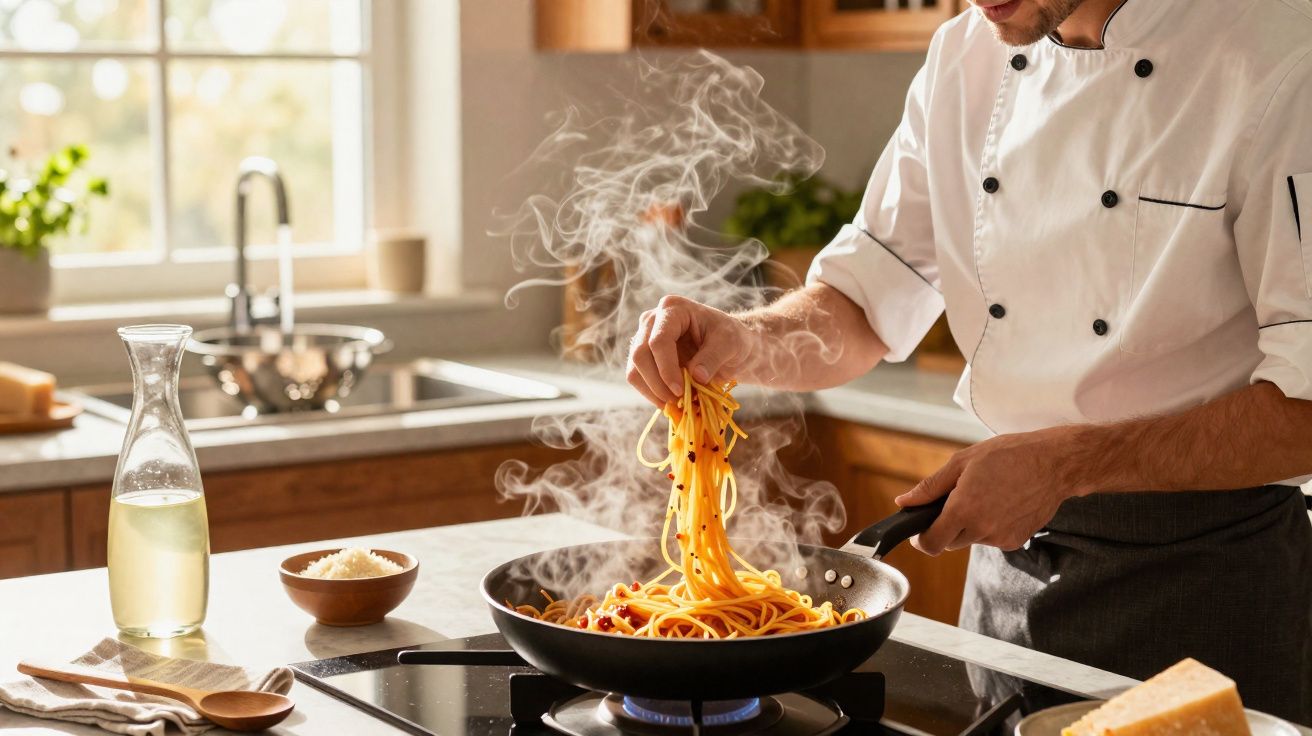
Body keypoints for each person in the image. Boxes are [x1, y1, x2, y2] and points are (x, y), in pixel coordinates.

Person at [625, 0, 1312, 722]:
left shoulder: (1279, 56)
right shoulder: (966, 53)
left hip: (1203, 584)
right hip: (1005, 573)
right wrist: (743, 340)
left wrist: (1062, 466)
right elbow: (864, 300)